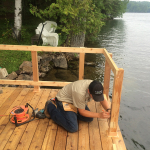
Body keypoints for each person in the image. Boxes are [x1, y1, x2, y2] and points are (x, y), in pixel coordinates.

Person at [44, 79, 111, 132]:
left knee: (89, 118)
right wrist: (99, 115)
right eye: (94, 96)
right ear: (88, 91)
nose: (96, 99)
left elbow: (102, 100)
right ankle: (50, 106)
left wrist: (108, 109)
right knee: (72, 127)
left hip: (76, 101)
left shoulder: (97, 87)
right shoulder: (80, 93)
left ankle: (71, 114)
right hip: (64, 100)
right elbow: (82, 112)